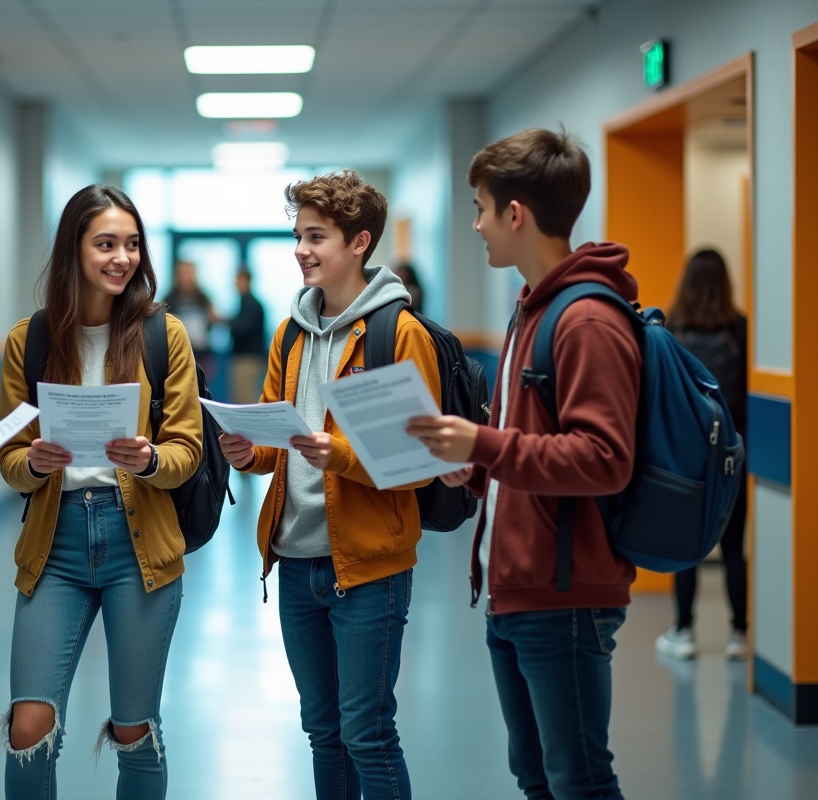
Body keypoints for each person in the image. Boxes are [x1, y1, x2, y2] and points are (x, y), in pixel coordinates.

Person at [408, 129, 639, 800]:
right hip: (517, 588)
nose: (475, 224)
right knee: (537, 777)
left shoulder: (586, 319)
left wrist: (481, 446)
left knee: (580, 780)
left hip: (563, 594)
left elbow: (603, 459)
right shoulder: (529, 311)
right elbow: (529, 443)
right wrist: (474, 469)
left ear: (515, 214)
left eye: (480, 207)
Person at [218, 170, 441, 800]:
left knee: (367, 731)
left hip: (369, 567)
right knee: (323, 731)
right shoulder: (289, 333)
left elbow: (418, 460)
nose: (301, 249)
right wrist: (247, 450)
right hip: (295, 562)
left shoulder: (399, 335)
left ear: (360, 242)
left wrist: (336, 454)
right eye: (298, 235)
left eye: (317, 236)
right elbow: (274, 439)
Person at [0, 184, 202, 800]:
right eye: (105, 243)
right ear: (73, 251)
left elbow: (187, 453)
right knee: (29, 725)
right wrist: (31, 462)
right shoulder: (28, 341)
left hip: (136, 547)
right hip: (53, 547)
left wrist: (147, 459)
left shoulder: (163, 336)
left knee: (133, 727)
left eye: (132, 244)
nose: (122, 258)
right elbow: (9, 459)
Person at [655, 248, 749, 660]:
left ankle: (684, 631)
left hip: (687, 461)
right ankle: (739, 635)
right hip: (732, 459)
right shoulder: (741, 329)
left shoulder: (674, 328)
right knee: (733, 549)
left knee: (685, 547)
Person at [162, 259, 217, 373]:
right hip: (177, 354)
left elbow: (211, 323)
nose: (187, 277)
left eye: (190, 273)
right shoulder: (169, 299)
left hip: (201, 353)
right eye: (184, 273)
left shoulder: (203, 298)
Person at [227, 267, 268, 405]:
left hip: (249, 359)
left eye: (239, 280)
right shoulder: (244, 303)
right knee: (240, 398)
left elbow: (242, 328)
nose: (236, 284)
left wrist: (224, 321)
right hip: (243, 358)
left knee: (246, 401)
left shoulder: (252, 305)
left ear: (247, 281)